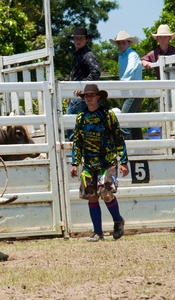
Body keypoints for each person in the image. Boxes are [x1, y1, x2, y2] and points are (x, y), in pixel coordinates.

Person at [70, 84, 129, 242]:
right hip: (89, 164)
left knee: (106, 193)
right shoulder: (81, 117)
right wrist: (75, 163)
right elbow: (78, 141)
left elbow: (118, 137)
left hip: (107, 162)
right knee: (92, 197)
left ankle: (118, 220)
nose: (89, 97)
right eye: (86, 95)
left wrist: (123, 161)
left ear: (98, 97)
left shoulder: (107, 114)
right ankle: (98, 232)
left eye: (92, 95)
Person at [66, 27, 101, 140]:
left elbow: (96, 72)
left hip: (82, 97)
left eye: (81, 38)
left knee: (74, 128)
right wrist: (68, 94)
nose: (78, 41)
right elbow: (73, 74)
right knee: (75, 127)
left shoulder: (88, 55)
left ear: (86, 40)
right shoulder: (78, 55)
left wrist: (82, 87)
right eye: (76, 38)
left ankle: (78, 153)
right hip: (77, 96)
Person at [110, 31, 143, 140]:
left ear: (129, 43)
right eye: (119, 43)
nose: (121, 45)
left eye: (123, 43)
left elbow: (130, 70)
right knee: (133, 122)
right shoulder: (122, 56)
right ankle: (140, 150)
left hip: (133, 92)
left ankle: (128, 151)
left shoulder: (132, 54)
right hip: (129, 91)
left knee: (124, 121)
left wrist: (121, 83)